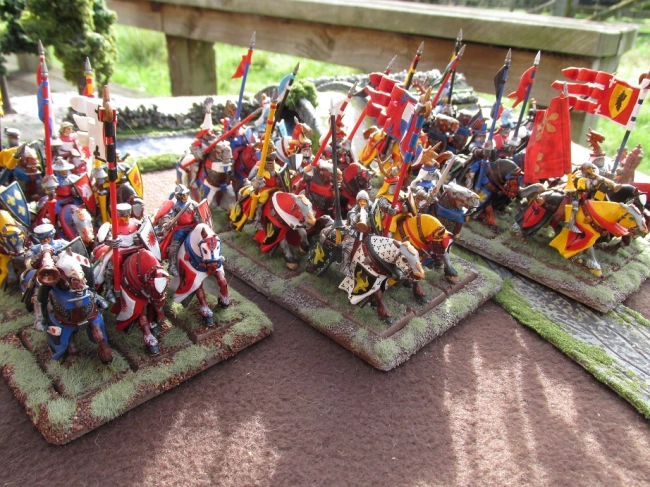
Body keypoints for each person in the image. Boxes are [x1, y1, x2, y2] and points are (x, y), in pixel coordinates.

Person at [23, 223, 68, 331]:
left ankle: (94, 297)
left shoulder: (62, 243)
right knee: (39, 288)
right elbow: (28, 263)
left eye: (47, 238)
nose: (46, 240)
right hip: (45, 274)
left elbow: (75, 254)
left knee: (79, 279)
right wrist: (38, 257)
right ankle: (39, 318)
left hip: (64, 270)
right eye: (43, 239)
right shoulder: (35, 249)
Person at [155, 184, 202, 277]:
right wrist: (166, 222)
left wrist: (198, 218)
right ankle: (172, 265)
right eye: (182, 195)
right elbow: (169, 216)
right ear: (178, 196)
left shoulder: (193, 204)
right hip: (181, 228)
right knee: (176, 239)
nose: (185, 197)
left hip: (193, 225)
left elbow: (199, 213)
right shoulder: (176, 207)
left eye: (186, 194)